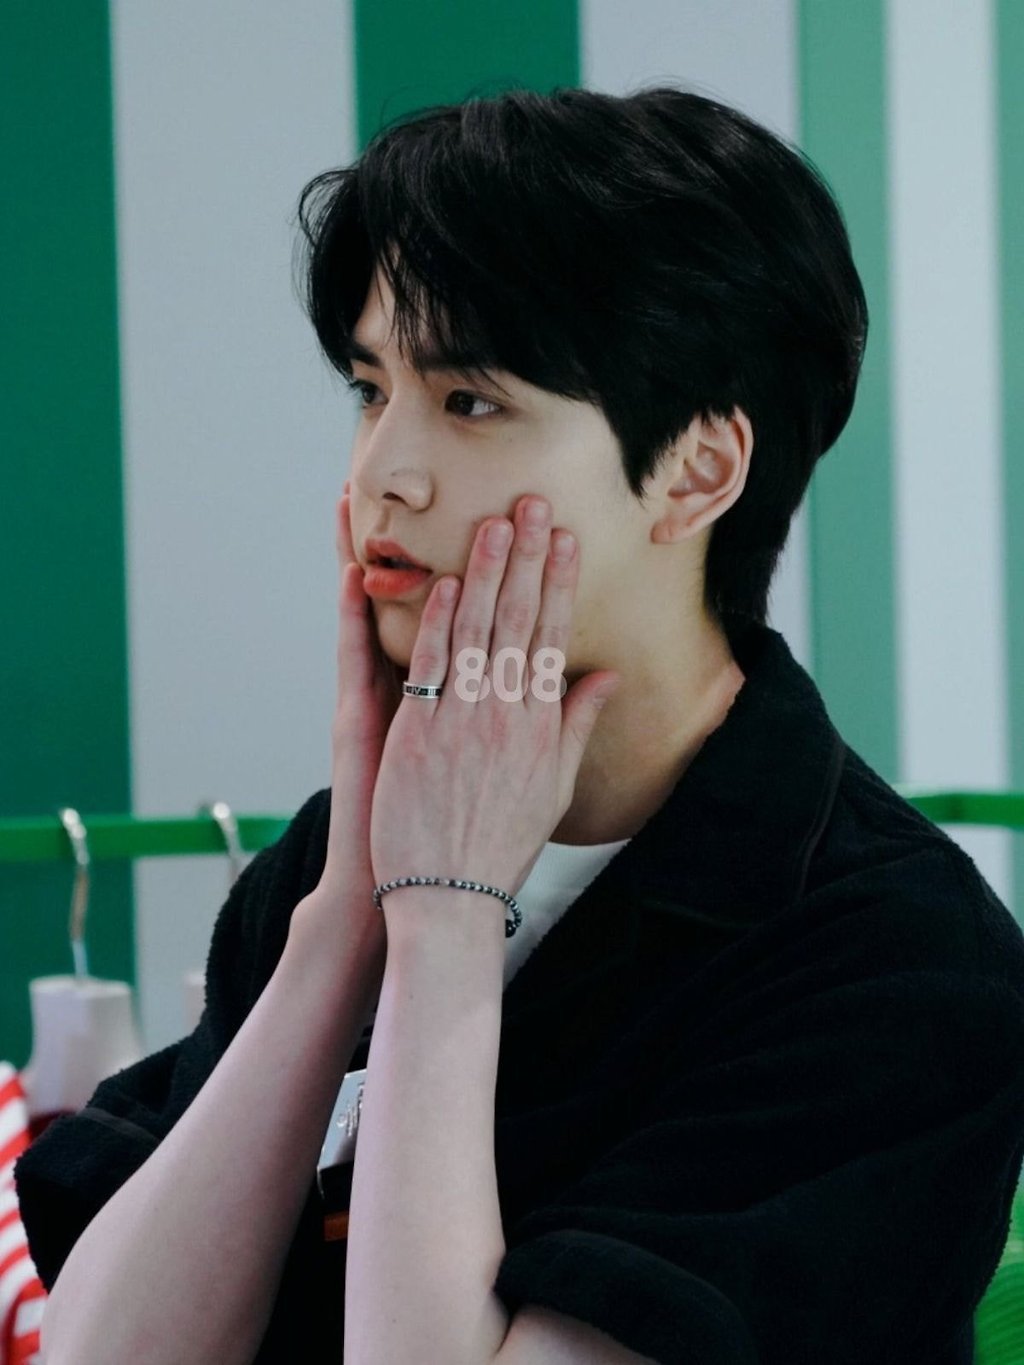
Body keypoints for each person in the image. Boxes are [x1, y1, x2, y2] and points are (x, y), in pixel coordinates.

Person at [14, 84, 1024, 1365]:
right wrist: (348, 922)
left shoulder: (901, 964)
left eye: (471, 401)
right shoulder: (331, 864)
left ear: (698, 471)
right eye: (370, 388)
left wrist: (443, 925)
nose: (383, 474)